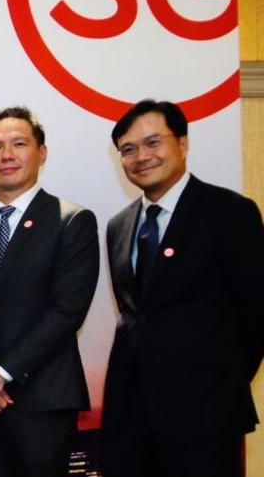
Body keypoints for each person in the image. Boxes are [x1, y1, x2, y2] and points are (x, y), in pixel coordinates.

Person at [100, 100, 264, 477]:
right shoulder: (118, 226)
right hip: (130, 419)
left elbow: (255, 315)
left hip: (205, 417)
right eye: (128, 149)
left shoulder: (230, 212)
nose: (141, 156)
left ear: (183, 144)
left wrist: (219, 384)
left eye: (153, 142)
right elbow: (134, 314)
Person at [0, 107, 96, 477]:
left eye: (18, 144)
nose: (7, 155)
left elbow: (67, 311)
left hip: (42, 402)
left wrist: (0, 374)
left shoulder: (71, 220)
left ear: (42, 152)